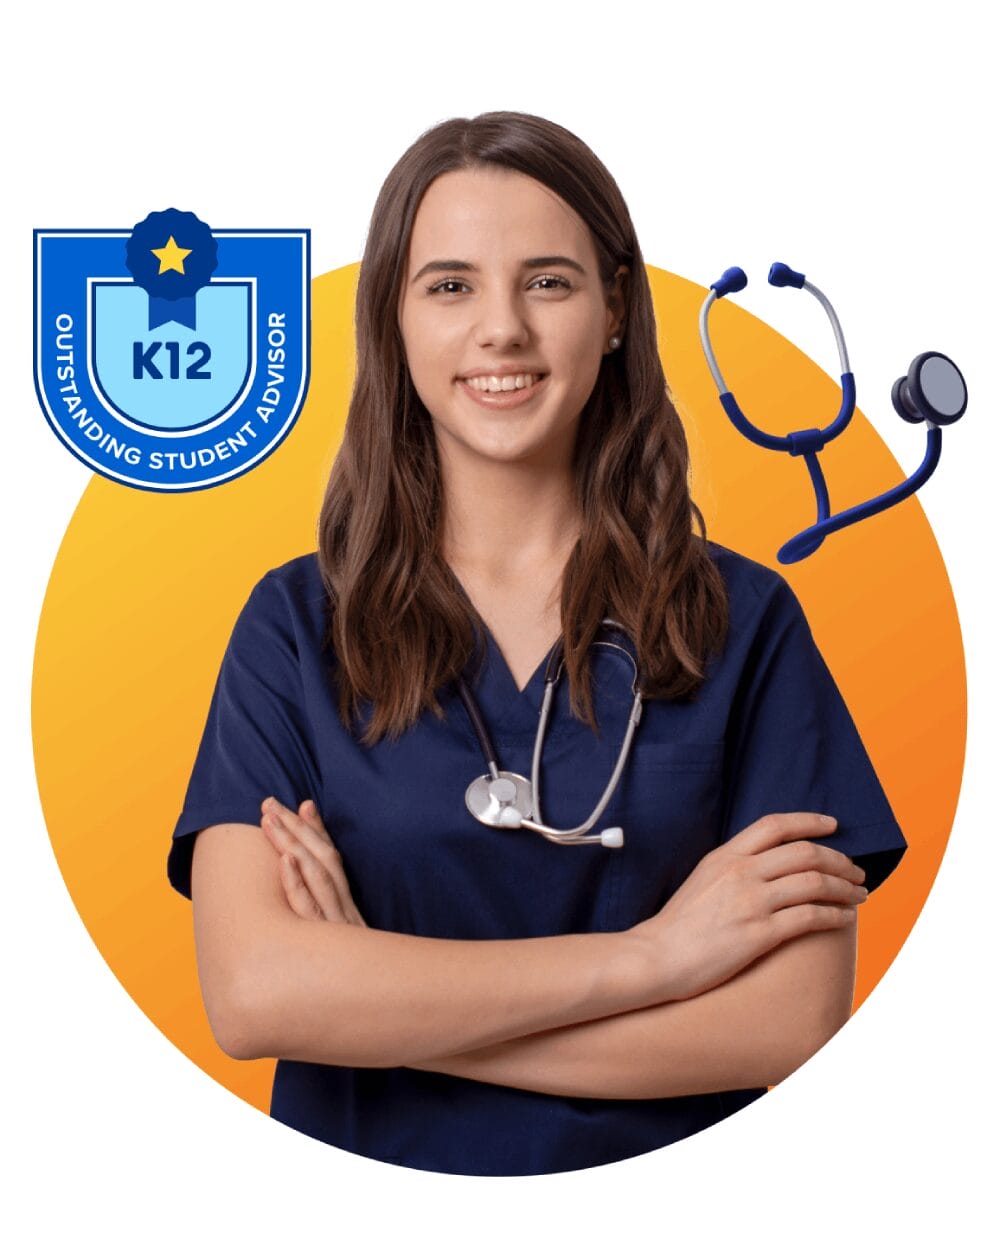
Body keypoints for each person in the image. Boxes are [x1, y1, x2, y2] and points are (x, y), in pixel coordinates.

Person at [167, 111, 907, 1177]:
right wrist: (651, 958)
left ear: (612, 311)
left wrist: (375, 1005)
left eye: (548, 281)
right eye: (450, 284)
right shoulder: (293, 628)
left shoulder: (746, 624)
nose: (501, 329)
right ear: (396, 321)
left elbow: (787, 1020)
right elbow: (256, 996)